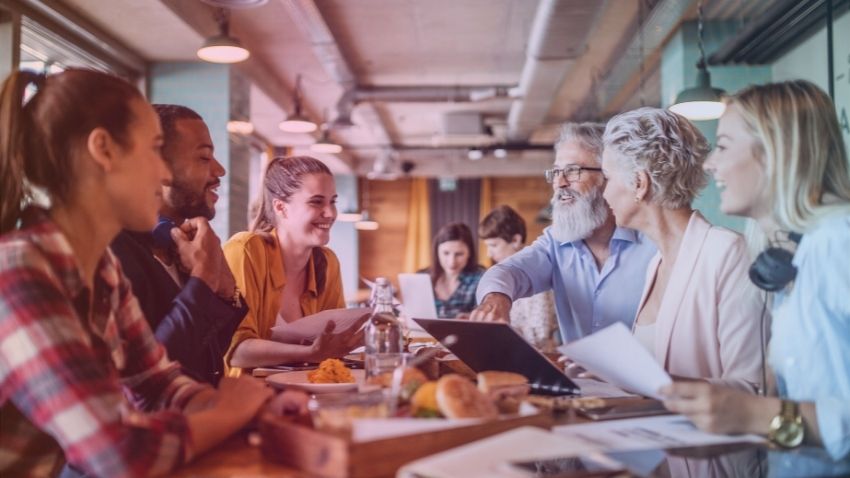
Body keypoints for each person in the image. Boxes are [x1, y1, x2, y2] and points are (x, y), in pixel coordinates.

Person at [0, 69, 272, 477]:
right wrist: (229, 412)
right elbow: (118, 455)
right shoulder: (19, 274)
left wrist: (257, 408)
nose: (164, 175)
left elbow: (157, 382)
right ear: (104, 150)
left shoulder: (101, 268)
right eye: (153, 149)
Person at [660, 80, 850, 460]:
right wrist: (729, 429)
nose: (710, 163)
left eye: (724, 146)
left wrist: (753, 414)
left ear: (777, 152)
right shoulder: (787, 255)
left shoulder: (837, 242)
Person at [601, 107, 764, 391]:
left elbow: (752, 387)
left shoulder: (727, 253)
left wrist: (652, 382)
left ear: (639, 183)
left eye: (607, 178)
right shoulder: (656, 263)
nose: (604, 193)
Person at [471, 123, 657, 343]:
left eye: (572, 171)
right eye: (557, 171)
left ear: (608, 176)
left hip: (647, 377)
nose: (559, 183)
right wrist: (496, 299)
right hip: (576, 378)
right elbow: (509, 271)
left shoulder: (653, 245)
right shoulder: (555, 242)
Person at [110, 104, 245, 385]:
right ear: (157, 166)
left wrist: (226, 289)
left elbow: (207, 353)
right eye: (204, 158)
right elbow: (150, 379)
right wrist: (204, 279)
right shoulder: (115, 253)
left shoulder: (184, 243)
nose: (219, 170)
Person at [223, 156, 363, 375]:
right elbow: (236, 351)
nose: (330, 213)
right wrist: (311, 353)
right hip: (249, 398)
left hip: (309, 392)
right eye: (317, 202)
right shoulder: (245, 251)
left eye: (332, 201)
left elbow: (333, 345)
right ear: (281, 208)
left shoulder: (327, 262)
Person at [479, 205, 558, 351]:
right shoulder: (503, 277)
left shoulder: (535, 273)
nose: (489, 254)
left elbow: (540, 334)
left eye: (494, 245)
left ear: (515, 240)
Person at [425, 222, 485, 319]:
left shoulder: (481, 278)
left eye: (459, 254)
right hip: (422, 334)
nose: (452, 262)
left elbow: (485, 317)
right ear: (437, 251)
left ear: (469, 253)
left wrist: (471, 317)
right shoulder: (423, 276)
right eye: (446, 253)